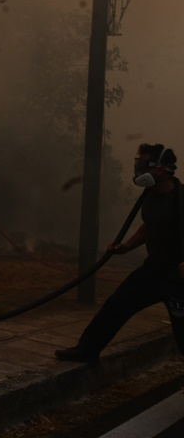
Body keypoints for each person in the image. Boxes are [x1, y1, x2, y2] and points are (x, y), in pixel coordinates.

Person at [55, 143, 184, 363]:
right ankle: (86, 350)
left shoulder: (181, 198)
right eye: (139, 164)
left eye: (145, 165)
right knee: (117, 305)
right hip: (153, 271)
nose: (140, 170)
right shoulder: (150, 196)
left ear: (162, 169)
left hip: (178, 280)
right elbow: (147, 228)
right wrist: (125, 246)